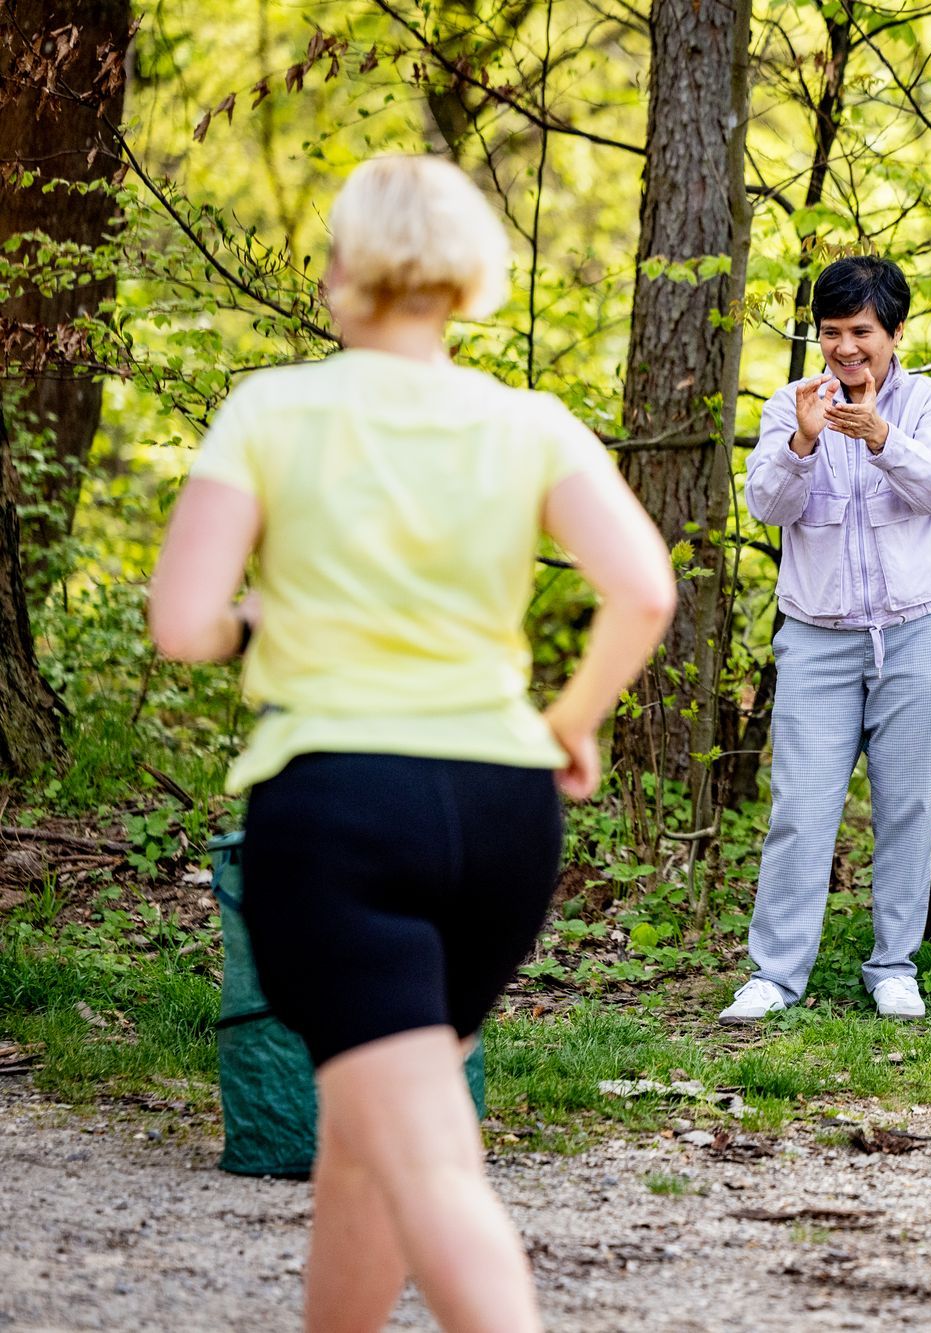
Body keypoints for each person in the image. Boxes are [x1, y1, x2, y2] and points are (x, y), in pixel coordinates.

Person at [150, 155, 674, 1332]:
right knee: (370, 1135)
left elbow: (183, 624)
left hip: (342, 808)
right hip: (500, 813)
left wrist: (253, 621)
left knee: (428, 1158)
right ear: (467, 274)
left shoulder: (274, 409)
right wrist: (569, 724)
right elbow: (642, 589)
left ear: (342, 273)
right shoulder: (527, 422)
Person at [725, 256, 931, 1023]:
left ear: (895, 332)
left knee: (906, 803)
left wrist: (880, 437)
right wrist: (801, 444)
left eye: (861, 331)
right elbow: (766, 504)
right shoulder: (788, 404)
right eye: (830, 332)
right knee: (802, 805)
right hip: (818, 636)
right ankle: (774, 973)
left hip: (920, 626)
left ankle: (893, 965)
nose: (844, 347)